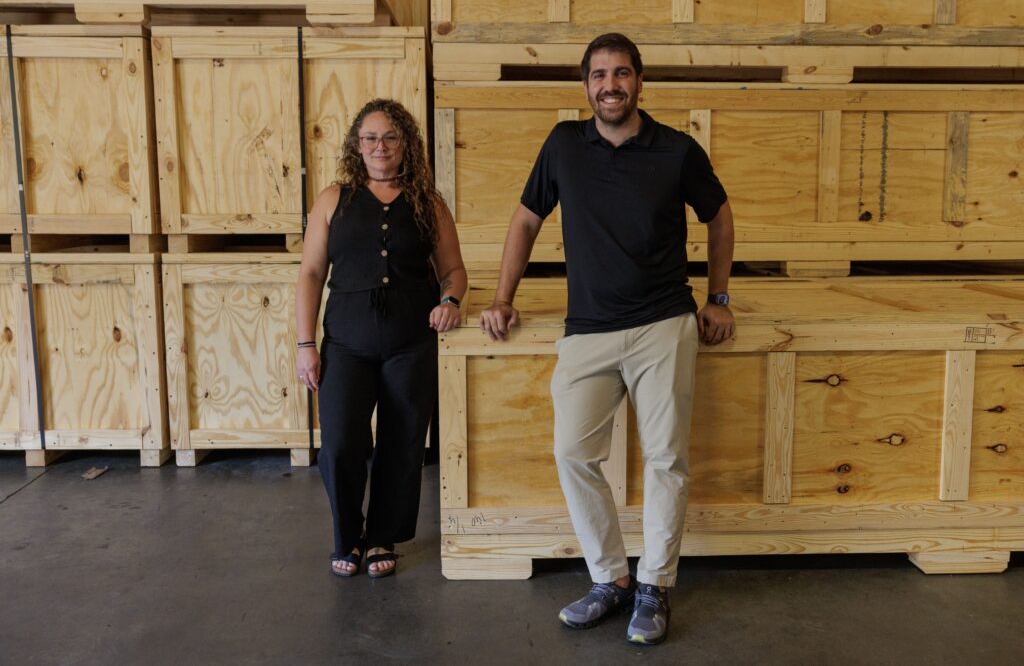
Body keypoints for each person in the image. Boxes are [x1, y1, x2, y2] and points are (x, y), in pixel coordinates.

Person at [478, 33, 735, 644]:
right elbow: (525, 219)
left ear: (640, 81)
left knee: (666, 459)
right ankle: (611, 579)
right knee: (572, 453)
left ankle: (655, 587)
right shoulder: (564, 144)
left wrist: (718, 296)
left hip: (663, 325)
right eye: (598, 75)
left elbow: (719, 215)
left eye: (621, 73)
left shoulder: (676, 150)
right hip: (588, 331)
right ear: (586, 85)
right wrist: (502, 297)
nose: (610, 85)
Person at [296, 98, 466, 579]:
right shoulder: (334, 199)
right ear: (356, 145)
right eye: (369, 137)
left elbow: (453, 270)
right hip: (345, 344)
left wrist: (450, 303)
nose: (380, 146)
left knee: (403, 442)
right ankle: (347, 537)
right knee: (342, 442)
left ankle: (382, 537)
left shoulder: (427, 201)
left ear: (405, 143)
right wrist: (304, 344)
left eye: (390, 137)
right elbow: (310, 273)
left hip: (412, 341)